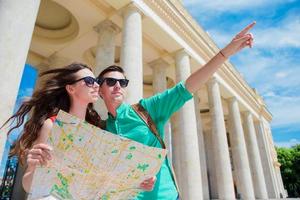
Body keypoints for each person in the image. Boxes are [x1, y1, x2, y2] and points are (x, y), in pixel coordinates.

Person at [97, 22, 256, 199]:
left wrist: (225, 53)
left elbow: (186, 87)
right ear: (99, 91)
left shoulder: (147, 109)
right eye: (111, 82)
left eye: (123, 83)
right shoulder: (103, 129)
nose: (118, 86)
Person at [1, 63, 102, 192]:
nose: (96, 85)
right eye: (89, 81)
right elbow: (28, 186)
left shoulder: (96, 131)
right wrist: (34, 166)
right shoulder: (52, 125)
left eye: (97, 81)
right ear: (71, 88)